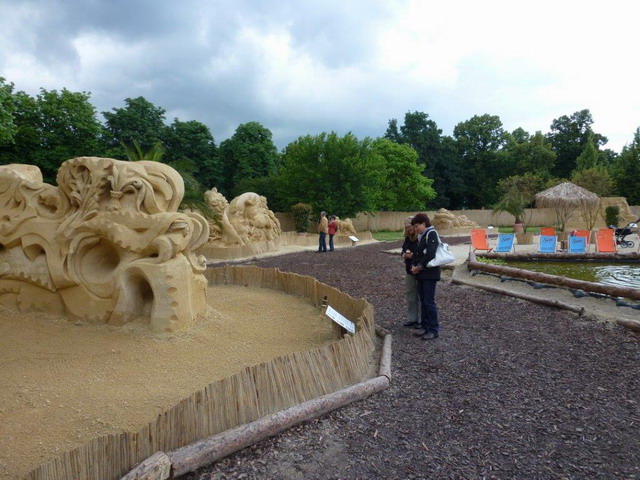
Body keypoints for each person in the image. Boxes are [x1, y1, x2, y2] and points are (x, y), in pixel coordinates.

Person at [410, 213, 441, 340]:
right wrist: (413, 265)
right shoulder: (422, 236)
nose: (416, 228)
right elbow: (417, 253)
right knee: (423, 301)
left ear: (424, 223)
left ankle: (433, 329)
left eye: (417, 225)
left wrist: (419, 266)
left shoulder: (431, 234)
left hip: (430, 274)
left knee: (429, 301)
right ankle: (425, 326)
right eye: (414, 226)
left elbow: (431, 253)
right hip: (422, 274)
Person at [401, 216, 421, 328]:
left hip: (419, 270)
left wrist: (414, 255)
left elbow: (423, 253)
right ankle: (412, 318)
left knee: (421, 295)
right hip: (409, 270)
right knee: (410, 295)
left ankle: (421, 320)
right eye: (407, 227)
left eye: (410, 226)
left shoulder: (420, 238)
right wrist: (404, 255)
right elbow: (403, 251)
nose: (409, 229)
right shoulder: (407, 239)